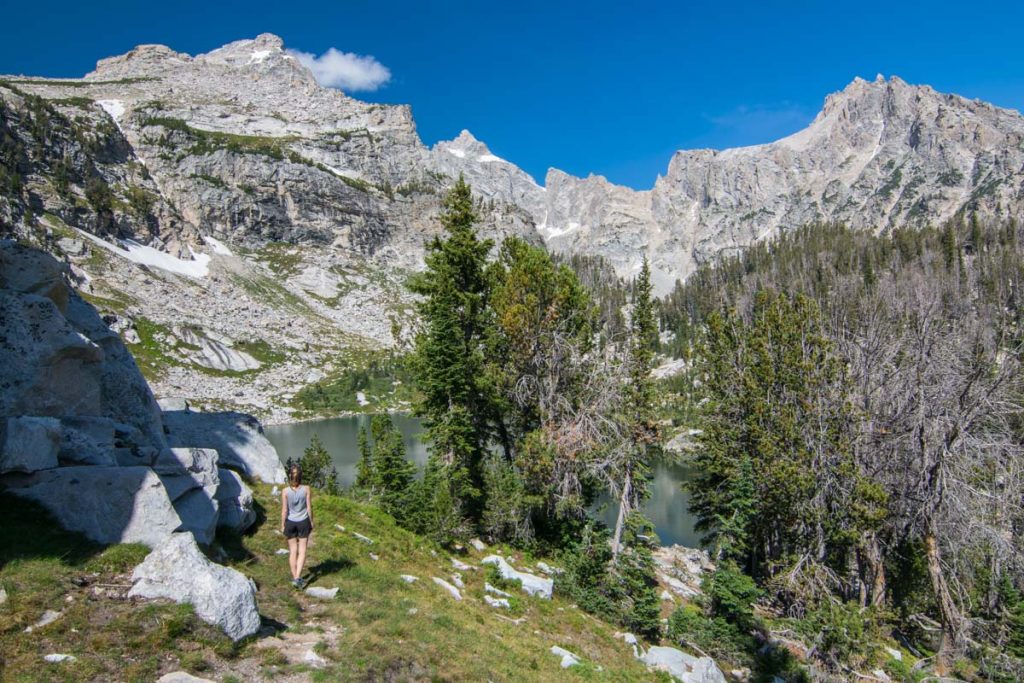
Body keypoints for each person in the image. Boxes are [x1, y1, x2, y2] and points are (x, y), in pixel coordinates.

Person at [281, 464, 313, 588]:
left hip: (290, 522)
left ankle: (295, 577)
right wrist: (311, 521)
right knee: (302, 549)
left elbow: (284, 510)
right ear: (300, 476)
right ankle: (298, 576)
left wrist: (282, 524)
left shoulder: (285, 491)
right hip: (303, 521)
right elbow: (309, 508)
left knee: (293, 550)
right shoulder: (306, 489)